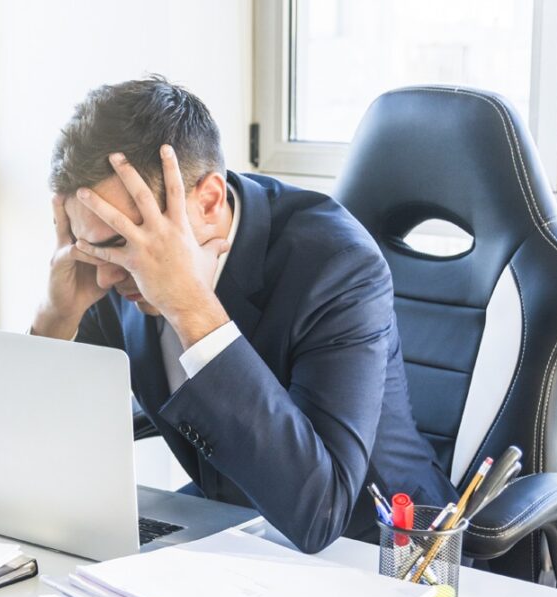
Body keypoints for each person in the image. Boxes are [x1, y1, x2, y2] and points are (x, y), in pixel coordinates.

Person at [30, 76, 455, 553]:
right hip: (235, 536)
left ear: (208, 201)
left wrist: (190, 306)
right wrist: (54, 320)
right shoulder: (110, 267)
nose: (106, 277)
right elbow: (41, 462)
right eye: (92, 247)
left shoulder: (336, 264)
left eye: (121, 242)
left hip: (383, 551)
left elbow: (321, 513)